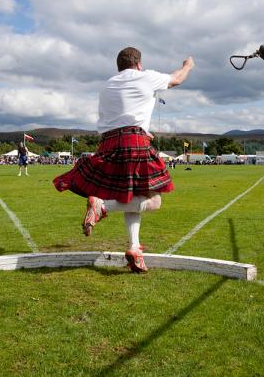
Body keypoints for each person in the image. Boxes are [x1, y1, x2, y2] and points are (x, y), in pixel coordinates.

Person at [53, 47, 194, 273]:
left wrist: (140, 129)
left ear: (118, 66)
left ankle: (134, 248)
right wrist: (188, 65)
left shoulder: (107, 85)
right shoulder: (145, 77)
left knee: (132, 196)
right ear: (138, 64)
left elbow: (119, 116)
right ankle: (102, 206)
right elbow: (176, 79)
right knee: (154, 201)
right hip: (134, 142)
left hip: (110, 143)